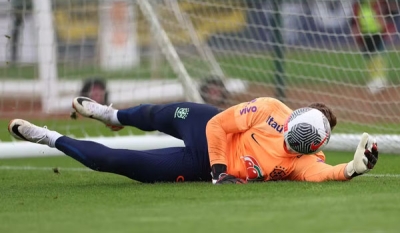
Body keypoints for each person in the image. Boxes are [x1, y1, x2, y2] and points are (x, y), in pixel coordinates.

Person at [8, 97, 379, 184]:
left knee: (114, 163)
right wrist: (220, 169)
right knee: (155, 115)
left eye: (303, 145)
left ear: (314, 146)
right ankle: (112, 116)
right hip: (210, 134)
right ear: (292, 116)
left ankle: (49, 137)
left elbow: (323, 174)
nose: (292, 144)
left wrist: (352, 168)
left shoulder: (307, 161)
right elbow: (219, 124)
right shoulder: (268, 108)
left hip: (197, 166)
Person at [351, 0, 395, 93]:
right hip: (365, 34)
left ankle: (380, 79)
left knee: (378, 56)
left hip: (377, 32)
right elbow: (354, 20)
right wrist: (356, 32)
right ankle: (374, 79)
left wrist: (387, 29)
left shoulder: (376, 3)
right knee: (369, 57)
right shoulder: (358, 5)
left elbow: (384, 14)